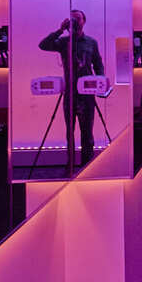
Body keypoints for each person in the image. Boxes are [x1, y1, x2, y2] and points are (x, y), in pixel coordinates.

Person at [39, 10, 104, 167]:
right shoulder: (63, 42)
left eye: (78, 18)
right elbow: (43, 45)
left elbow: (98, 64)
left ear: (84, 21)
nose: (75, 21)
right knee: (70, 132)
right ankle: (70, 165)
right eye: (72, 18)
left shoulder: (91, 42)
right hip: (70, 93)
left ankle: (87, 166)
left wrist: (100, 82)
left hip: (86, 93)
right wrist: (60, 30)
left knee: (87, 132)